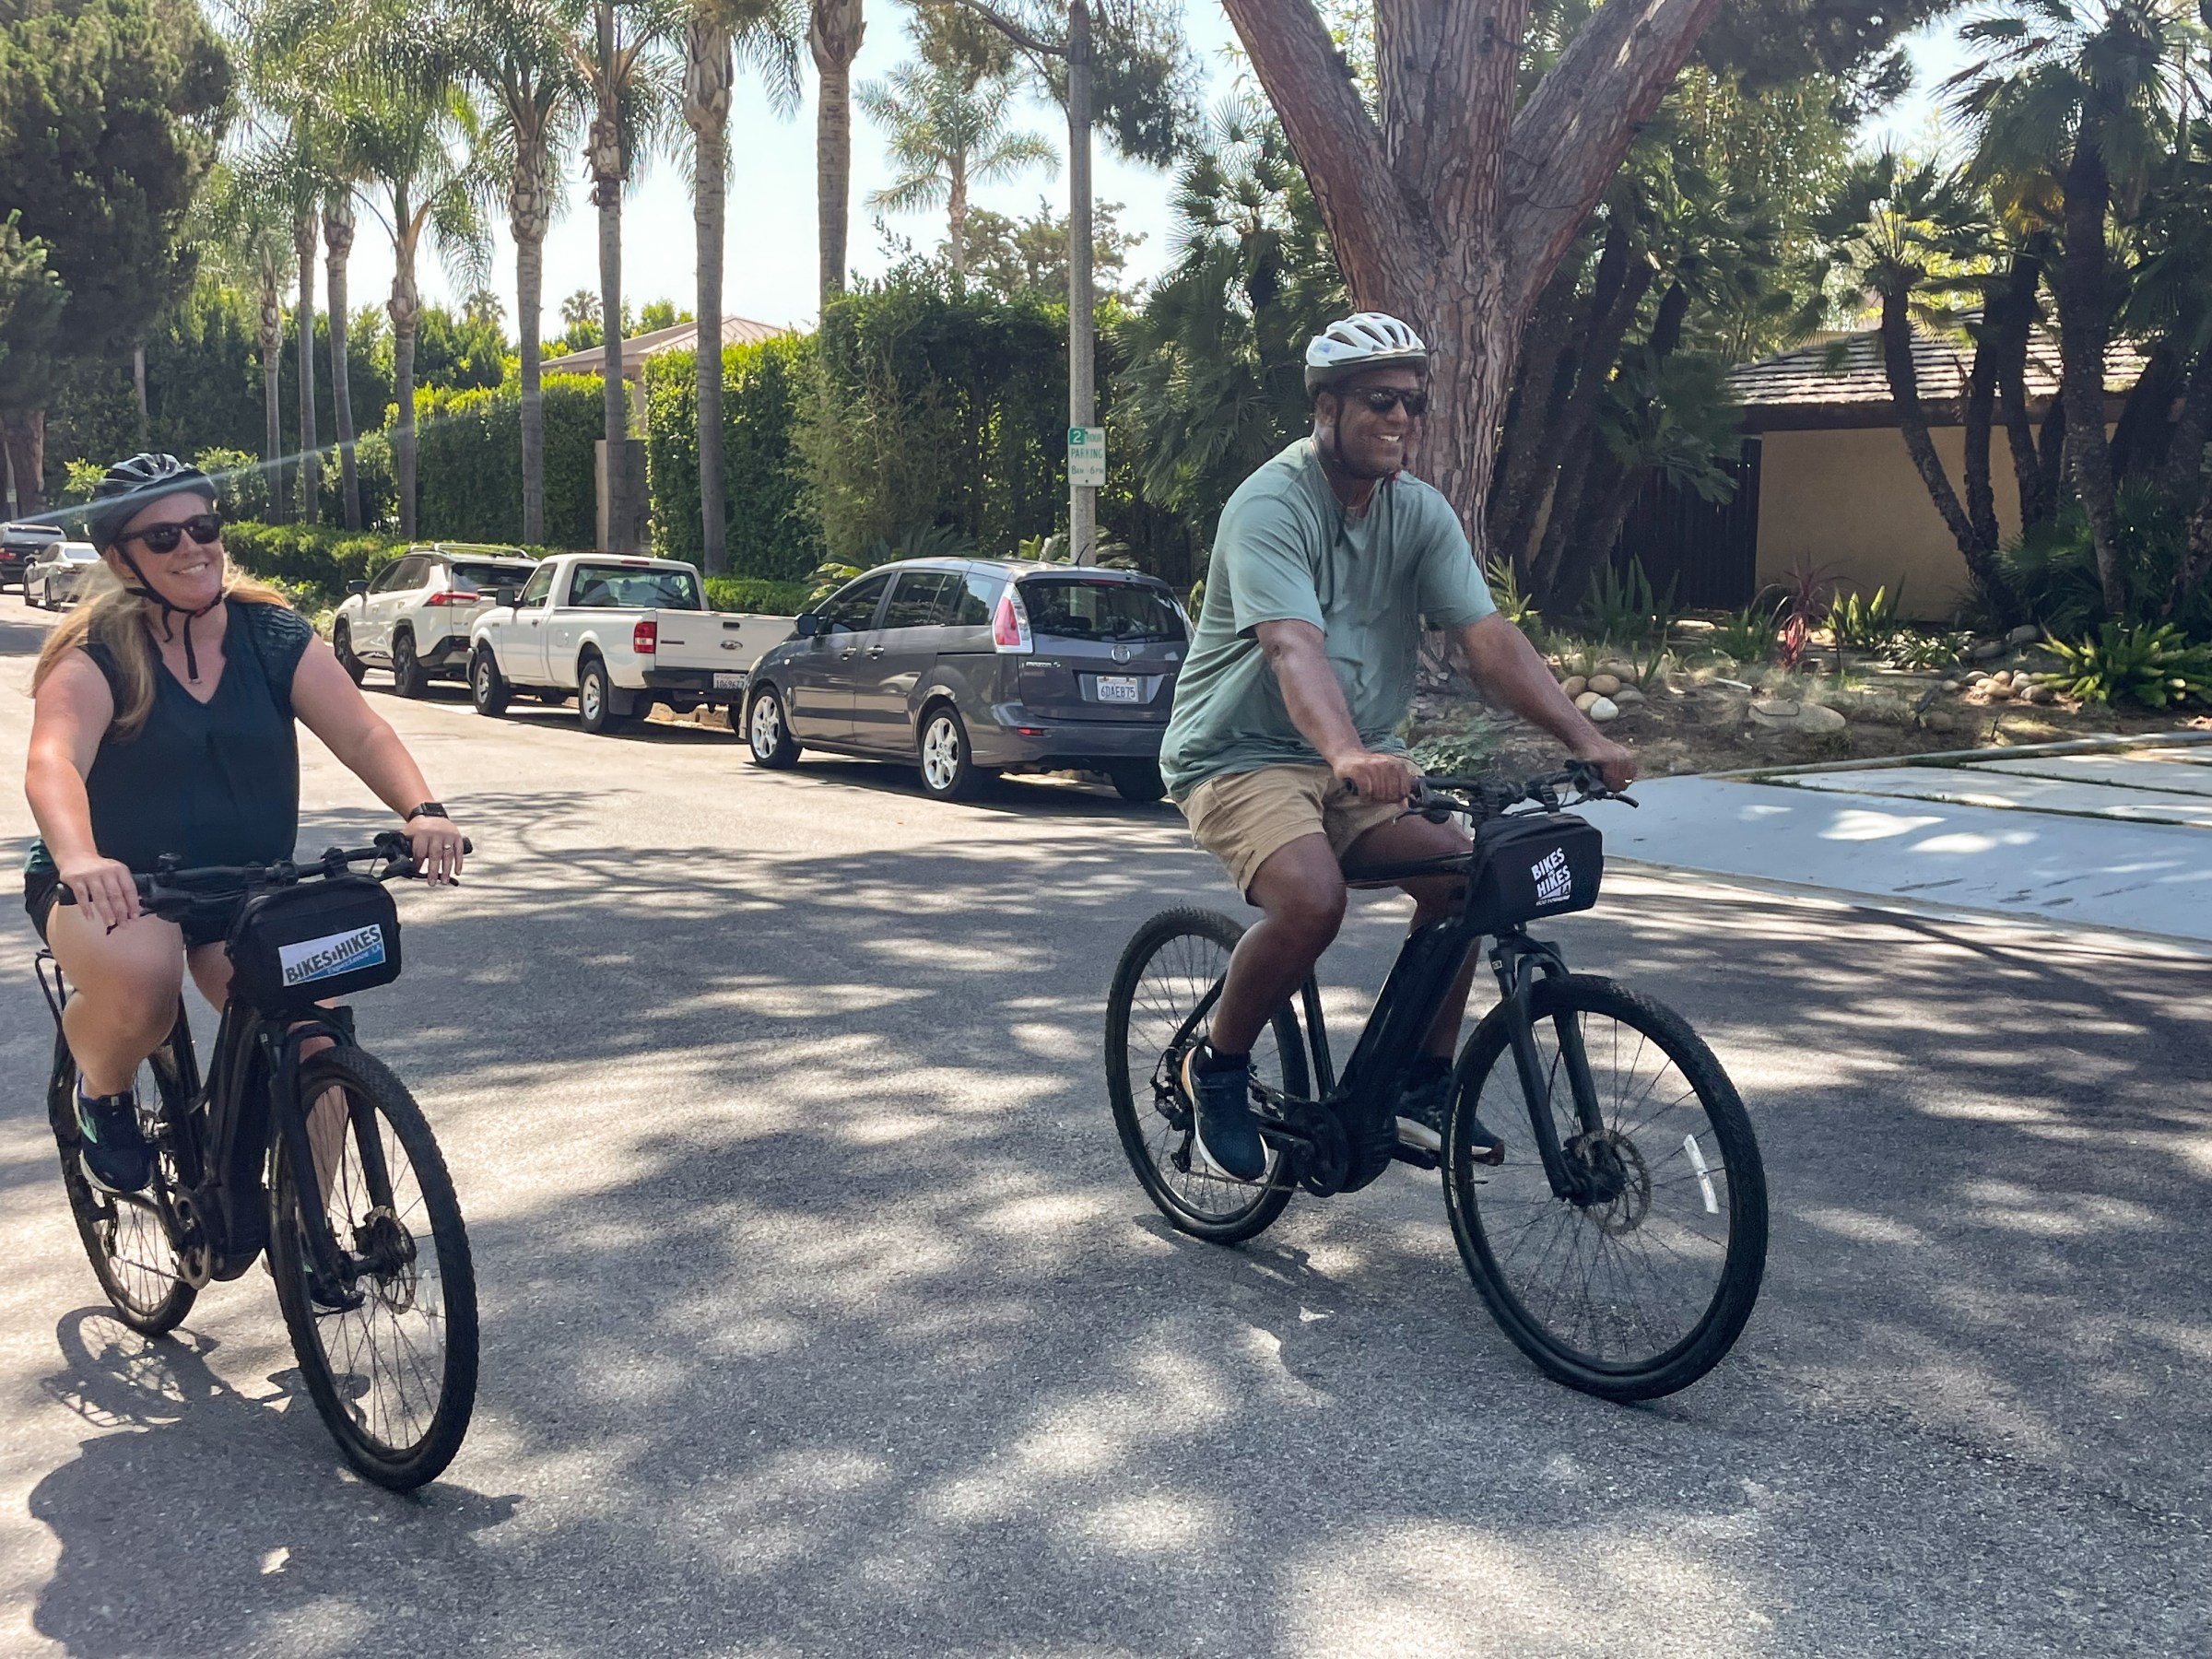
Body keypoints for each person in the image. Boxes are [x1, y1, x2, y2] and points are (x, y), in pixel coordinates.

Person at [1159, 313, 1638, 1182]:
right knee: (1310, 901)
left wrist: (1584, 735)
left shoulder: (1417, 512)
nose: (1401, 420)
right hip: (1240, 756)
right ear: (1327, 405)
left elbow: (1487, 636)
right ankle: (1217, 1069)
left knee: (1464, 876)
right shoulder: (1271, 505)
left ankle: (1422, 1085)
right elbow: (1290, 646)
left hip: (1361, 756)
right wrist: (1345, 751)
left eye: (1414, 404)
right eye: (1381, 401)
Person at [22, 454, 466, 1194]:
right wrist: (79, 858)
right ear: (118, 558)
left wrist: (421, 810)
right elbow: (53, 763)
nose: (192, 547)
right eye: (162, 537)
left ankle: (311, 1232)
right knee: (145, 980)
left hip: (246, 888)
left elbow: (361, 733)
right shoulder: (95, 655)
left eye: (203, 526)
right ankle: (102, 1090)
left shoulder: (270, 634)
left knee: (312, 1039)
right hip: (118, 889)